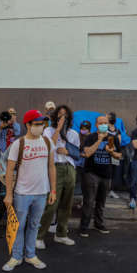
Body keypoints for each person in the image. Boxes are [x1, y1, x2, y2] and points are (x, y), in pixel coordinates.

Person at [2, 110, 56, 272]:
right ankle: (16, 256)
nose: (40, 127)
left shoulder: (47, 142)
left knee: (34, 225)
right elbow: (9, 170)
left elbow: (51, 167)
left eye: (42, 124)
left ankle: (30, 255)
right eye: (37, 124)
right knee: (18, 226)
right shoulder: (19, 144)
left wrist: (53, 190)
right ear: (27, 125)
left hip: (41, 192)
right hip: (22, 193)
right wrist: (9, 194)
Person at [36, 105, 79, 249]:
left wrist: (67, 151)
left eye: (65, 115)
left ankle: (61, 234)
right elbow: (49, 146)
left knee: (66, 204)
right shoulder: (48, 130)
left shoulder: (73, 133)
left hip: (70, 167)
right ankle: (39, 236)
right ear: (55, 117)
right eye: (60, 115)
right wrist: (59, 129)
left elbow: (76, 153)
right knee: (51, 203)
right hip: (55, 168)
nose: (63, 118)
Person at [79, 116, 122, 237]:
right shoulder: (91, 137)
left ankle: (98, 224)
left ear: (108, 124)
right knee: (89, 201)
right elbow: (87, 153)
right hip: (91, 173)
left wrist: (112, 152)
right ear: (96, 125)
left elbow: (119, 155)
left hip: (106, 174)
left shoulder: (112, 138)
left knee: (101, 202)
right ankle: (84, 226)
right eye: (101, 123)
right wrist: (99, 140)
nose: (103, 125)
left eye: (105, 123)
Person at [107, 112, 121, 199]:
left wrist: (117, 153)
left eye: (107, 117)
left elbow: (119, 142)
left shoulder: (117, 130)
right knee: (106, 171)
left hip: (114, 153)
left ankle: (111, 191)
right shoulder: (104, 129)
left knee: (114, 172)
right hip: (105, 153)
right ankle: (104, 190)